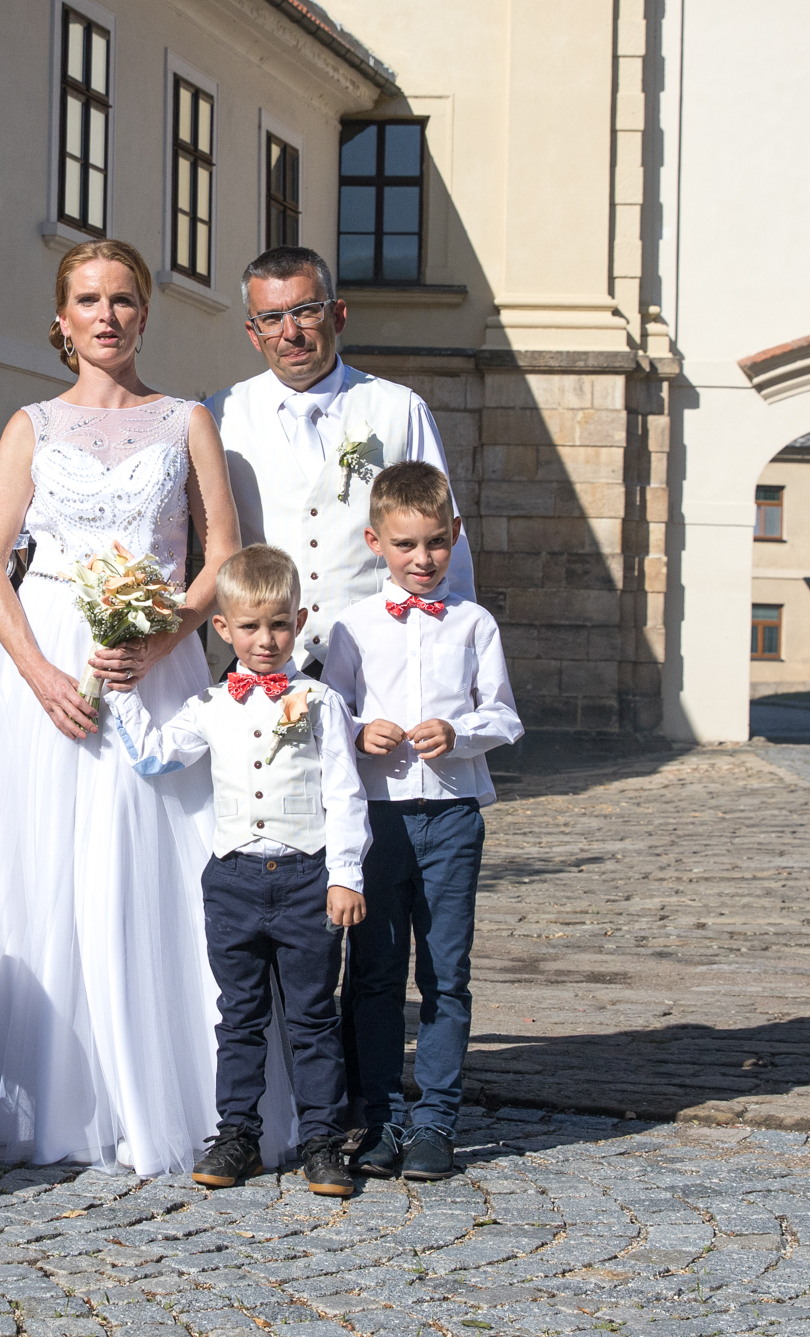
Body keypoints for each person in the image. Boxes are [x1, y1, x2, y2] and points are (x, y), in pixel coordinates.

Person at [0, 238, 244, 1175]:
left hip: (151, 657)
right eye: (89, 300)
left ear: (145, 313)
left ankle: (166, 1090)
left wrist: (160, 639)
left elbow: (222, 555)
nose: (107, 315)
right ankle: (49, 1091)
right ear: (62, 320)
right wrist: (38, 673)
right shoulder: (30, 425)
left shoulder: (187, 421)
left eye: (124, 299)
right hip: (49, 654)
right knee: (44, 860)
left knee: (149, 864)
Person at [104, 544, 370, 1197]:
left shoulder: (321, 702)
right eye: (250, 626)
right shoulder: (209, 704)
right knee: (240, 1016)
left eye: (279, 624)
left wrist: (345, 875)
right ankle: (238, 1134)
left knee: (312, 1017)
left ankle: (322, 1140)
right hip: (233, 882)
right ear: (223, 627)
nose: (266, 639)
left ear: (299, 621)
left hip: (307, 879)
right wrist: (123, 693)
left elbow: (345, 793)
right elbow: (157, 757)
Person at [322, 462, 523, 1182]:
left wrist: (460, 732)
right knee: (373, 971)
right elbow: (327, 717)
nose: (422, 558)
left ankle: (437, 1118)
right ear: (376, 541)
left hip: (452, 818)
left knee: (446, 970)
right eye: (406, 544)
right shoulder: (351, 627)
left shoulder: (474, 623)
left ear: (455, 535)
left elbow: (505, 715)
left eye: (436, 542)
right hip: (376, 821)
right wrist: (358, 731)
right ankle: (377, 1115)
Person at [204, 246, 474, 675]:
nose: (290, 333)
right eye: (271, 319)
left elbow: (445, 543)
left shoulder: (400, 409)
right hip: (266, 667)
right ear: (254, 334)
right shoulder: (219, 416)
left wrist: (456, 660)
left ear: (338, 315)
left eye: (306, 311)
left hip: (383, 664)